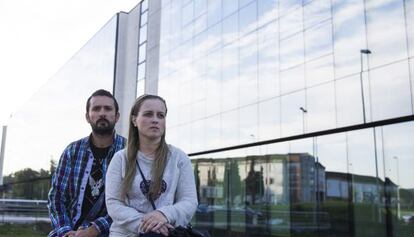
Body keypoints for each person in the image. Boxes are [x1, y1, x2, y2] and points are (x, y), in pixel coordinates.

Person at [105, 94, 198, 237]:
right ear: (134, 120)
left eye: (160, 115)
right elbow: (114, 203)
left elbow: (189, 201)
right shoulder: (120, 159)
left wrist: (163, 214)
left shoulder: (179, 158)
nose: (155, 119)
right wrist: (148, 225)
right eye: (148, 114)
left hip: (166, 232)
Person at [48, 89, 127, 237]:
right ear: (87, 117)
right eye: (96, 109)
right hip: (70, 229)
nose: (102, 113)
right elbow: (56, 197)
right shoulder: (72, 151)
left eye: (108, 108)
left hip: (111, 231)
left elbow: (131, 203)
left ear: (116, 116)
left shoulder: (129, 151)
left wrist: (95, 229)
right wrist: (65, 231)